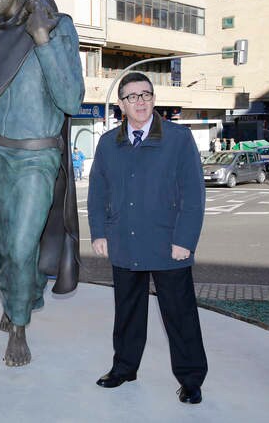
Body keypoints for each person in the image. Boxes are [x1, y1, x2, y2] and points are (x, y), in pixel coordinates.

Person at [0, 0, 85, 366]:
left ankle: (18, 325)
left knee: (21, 246)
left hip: (36, 158)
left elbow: (71, 97)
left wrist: (42, 40)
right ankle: (26, 288)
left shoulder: (55, 25)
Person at [88, 71, 207, 404]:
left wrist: (185, 240)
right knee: (127, 311)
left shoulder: (178, 138)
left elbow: (193, 196)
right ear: (121, 104)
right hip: (124, 241)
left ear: (153, 99)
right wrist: (99, 231)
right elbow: (98, 191)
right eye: (132, 97)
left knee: (180, 315)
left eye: (145, 95)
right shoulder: (108, 143)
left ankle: (191, 379)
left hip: (169, 245)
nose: (140, 102)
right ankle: (124, 368)